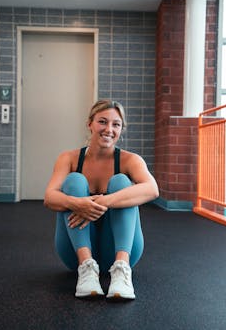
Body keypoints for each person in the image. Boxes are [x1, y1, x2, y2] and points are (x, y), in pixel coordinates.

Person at [44, 99, 159, 300]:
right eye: (102, 122)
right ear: (90, 123)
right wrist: (77, 203)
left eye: (116, 124)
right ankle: (87, 268)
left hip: (118, 248)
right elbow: (50, 197)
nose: (109, 129)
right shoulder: (69, 158)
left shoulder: (130, 160)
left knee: (122, 182)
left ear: (121, 129)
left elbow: (152, 189)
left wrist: (105, 201)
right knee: (74, 181)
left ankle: (121, 270)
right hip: (74, 253)